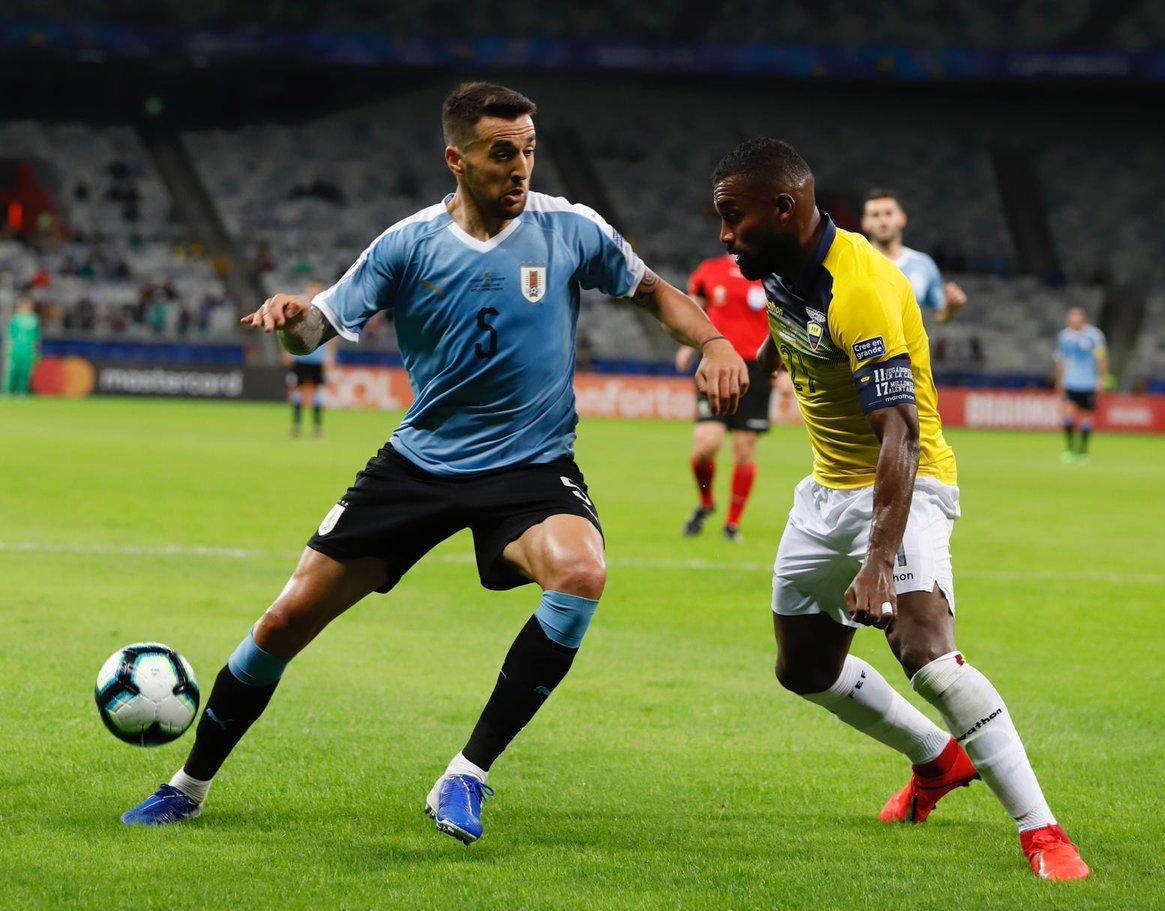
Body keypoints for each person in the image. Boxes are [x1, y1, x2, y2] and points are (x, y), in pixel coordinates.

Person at [120, 82, 748, 843]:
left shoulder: (571, 227)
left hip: (530, 466)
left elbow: (656, 294)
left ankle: (467, 773)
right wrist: (290, 320)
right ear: (456, 158)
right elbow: (315, 329)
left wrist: (713, 340)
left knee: (581, 572)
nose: (520, 168)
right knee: (286, 618)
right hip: (420, 465)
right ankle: (189, 784)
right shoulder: (407, 244)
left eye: (528, 150)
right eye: (501, 153)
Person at [711, 138, 1089, 881]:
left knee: (924, 650)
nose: (725, 236)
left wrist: (880, 559)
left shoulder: (862, 288)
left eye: (734, 218)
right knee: (804, 667)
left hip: (906, 485)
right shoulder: (781, 271)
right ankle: (937, 761)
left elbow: (902, 435)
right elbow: (788, 345)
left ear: (783, 209)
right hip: (827, 490)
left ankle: (1043, 833)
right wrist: (742, 375)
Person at [675, 253, 781, 541]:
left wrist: (784, 365)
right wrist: (688, 344)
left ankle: (732, 524)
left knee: (745, 448)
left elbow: (784, 320)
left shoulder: (772, 272)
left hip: (757, 369)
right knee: (706, 444)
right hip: (717, 363)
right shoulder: (710, 270)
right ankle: (707, 502)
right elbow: (693, 309)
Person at [861, 190, 966, 324]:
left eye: (888, 213)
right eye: (875, 215)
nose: (883, 221)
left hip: (909, 344)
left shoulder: (923, 264)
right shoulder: (854, 262)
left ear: (902, 218)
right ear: (865, 222)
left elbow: (940, 316)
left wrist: (951, 308)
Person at [284, 280, 337, 438]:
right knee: (297, 392)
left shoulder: (325, 306)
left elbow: (332, 335)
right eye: (312, 288)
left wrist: (329, 356)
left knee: (317, 393)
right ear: (308, 288)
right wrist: (287, 352)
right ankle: (296, 427)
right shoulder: (298, 305)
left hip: (317, 359)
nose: (314, 291)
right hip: (299, 357)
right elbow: (287, 328)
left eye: (317, 288)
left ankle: (317, 428)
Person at [1054, 307, 1107, 464]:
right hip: (1071, 382)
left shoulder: (1095, 336)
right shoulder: (1064, 337)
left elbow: (1101, 358)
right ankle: (1070, 449)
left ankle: (1083, 451)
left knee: (1086, 416)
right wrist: (1060, 379)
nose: (1073, 320)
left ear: (1082, 319)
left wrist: (1101, 378)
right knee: (1068, 414)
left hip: (1088, 383)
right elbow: (1061, 360)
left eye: (1076, 317)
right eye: (1071, 317)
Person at [4, 297, 40, 396]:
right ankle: (8, 391)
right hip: (16, 348)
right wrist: (8, 348)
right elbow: (10, 335)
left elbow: (36, 337)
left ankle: (22, 392)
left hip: (28, 349)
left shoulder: (34, 318)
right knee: (12, 370)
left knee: (25, 371)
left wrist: (36, 351)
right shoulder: (15, 318)